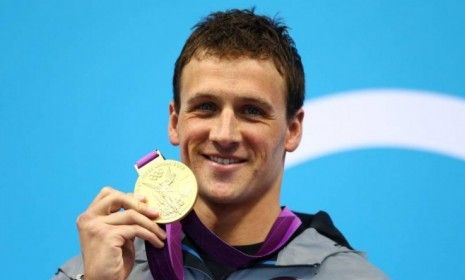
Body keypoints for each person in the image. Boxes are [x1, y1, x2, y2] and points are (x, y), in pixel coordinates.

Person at [54, 8, 387, 280]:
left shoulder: (346, 275)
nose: (224, 135)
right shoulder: (97, 271)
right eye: (206, 107)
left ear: (293, 129)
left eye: (251, 111)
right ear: (175, 122)